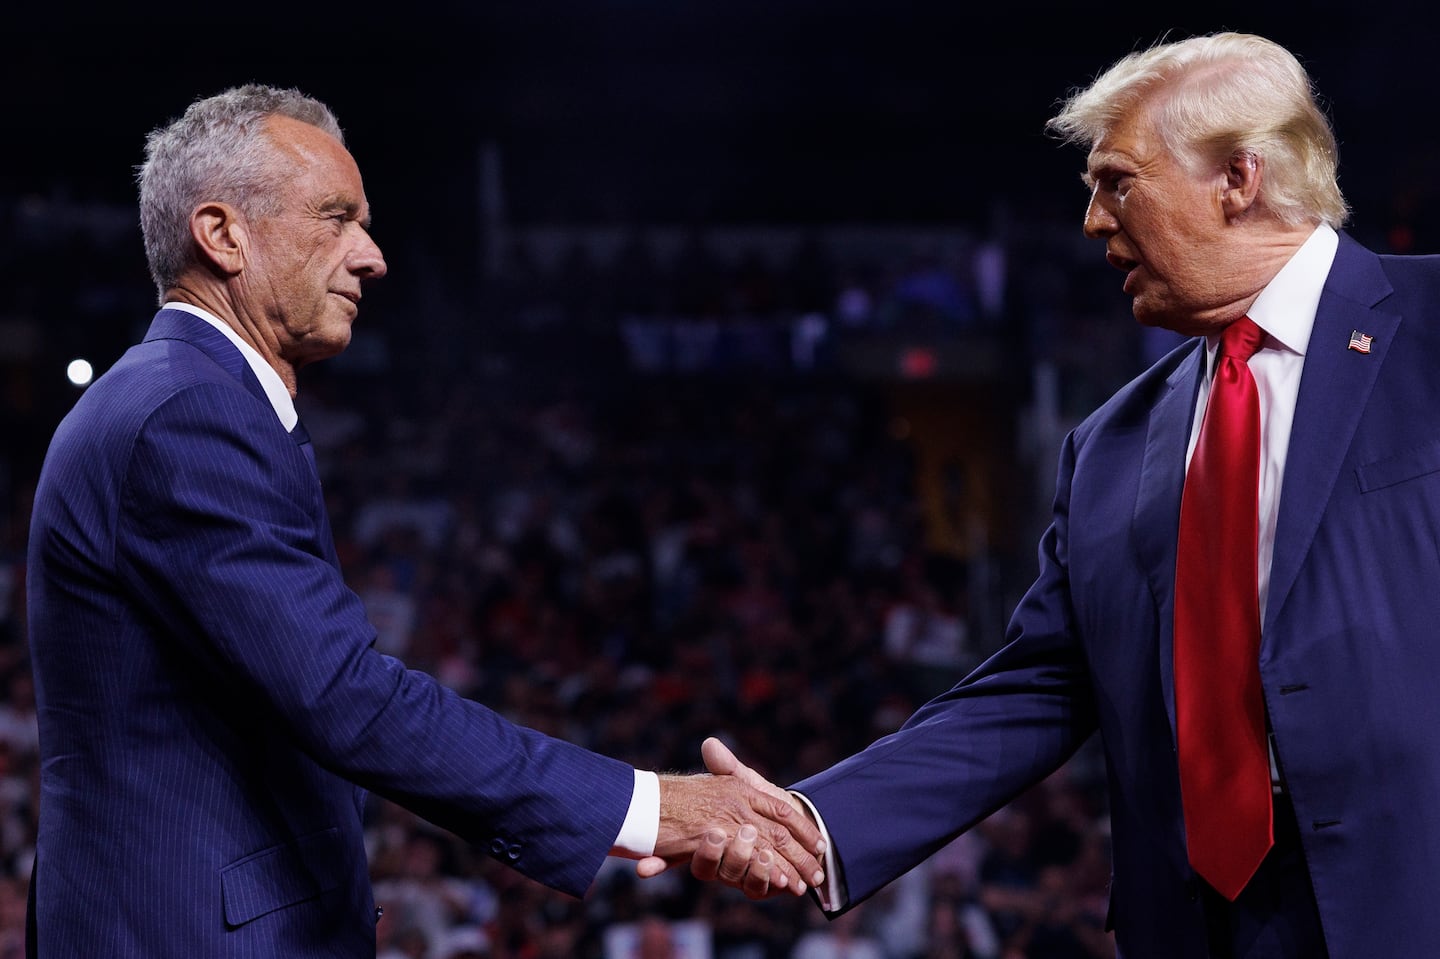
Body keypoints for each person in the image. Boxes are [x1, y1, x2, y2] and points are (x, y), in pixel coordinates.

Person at [23, 84, 822, 958]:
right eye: (335, 219)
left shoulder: (187, 402)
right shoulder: (186, 412)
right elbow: (344, 696)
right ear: (222, 236)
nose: (372, 256)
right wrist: (652, 808)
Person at [698, 31, 1440, 958]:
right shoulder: (1110, 445)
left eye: (1117, 180)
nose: (1092, 220)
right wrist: (820, 824)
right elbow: (1034, 689)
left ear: (1239, 179)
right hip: (1198, 928)